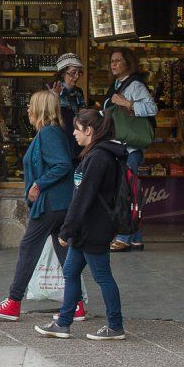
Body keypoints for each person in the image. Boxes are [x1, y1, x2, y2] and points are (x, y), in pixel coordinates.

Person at [0, 91, 81, 322]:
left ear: (40, 109)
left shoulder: (48, 133)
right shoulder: (50, 132)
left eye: (31, 106)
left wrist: (38, 184)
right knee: (65, 252)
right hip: (59, 203)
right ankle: (76, 305)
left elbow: (62, 165)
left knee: (28, 248)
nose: (27, 109)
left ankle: (13, 302)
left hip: (50, 204)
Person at [35, 109, 127, 341]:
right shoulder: (99, 154)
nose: (74, 133)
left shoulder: (99, 157)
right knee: (71, 271)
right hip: (89, 226)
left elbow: (83, 197)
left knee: (102, 275)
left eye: (77, 128)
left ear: (89, 130)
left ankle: (115, 326)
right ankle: (63, 323)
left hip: (93, 227)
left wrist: (67, 230)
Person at [103, 48, 157, 252]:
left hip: (131, 149)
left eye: (118, 60)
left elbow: (152, 108)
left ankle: (124, 236)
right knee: (130, 192)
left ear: (128, 63)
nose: (113, 64)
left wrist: (126, 103)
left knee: (125, 192)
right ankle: (135, 237)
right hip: (120, 147)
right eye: (111, 61)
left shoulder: (134, 85)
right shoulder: (116, 84)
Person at [49, 53, 86, 166]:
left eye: (79, 72)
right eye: (73, 72)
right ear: (63, 72)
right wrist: (54, 97)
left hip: (76, 139)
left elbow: (82, 114)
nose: (76, 77)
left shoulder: (78, 92)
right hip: (60, 140)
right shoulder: (51, 89)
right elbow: (48, 116)